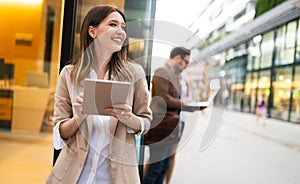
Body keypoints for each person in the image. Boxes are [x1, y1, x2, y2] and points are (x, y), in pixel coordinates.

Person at [46, 5, 152, 184]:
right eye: (113, 24)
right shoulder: (69, 74)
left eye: (123, 27)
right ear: (92, 32)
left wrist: (128, 117)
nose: (121, 31)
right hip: (73, 176)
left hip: (117, 177)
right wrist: (78, 118)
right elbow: (59, 134)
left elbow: (146, 123)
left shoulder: (135, 73)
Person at [143, 47, 190, 184]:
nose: (185, 66)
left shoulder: (174, 75)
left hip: (170, 127)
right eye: (185, 62)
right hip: (161, 125)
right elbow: (163, 98)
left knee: (163, 166)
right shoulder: (162, 72)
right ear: (177, 58)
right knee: (156, 167)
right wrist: (183, 103)